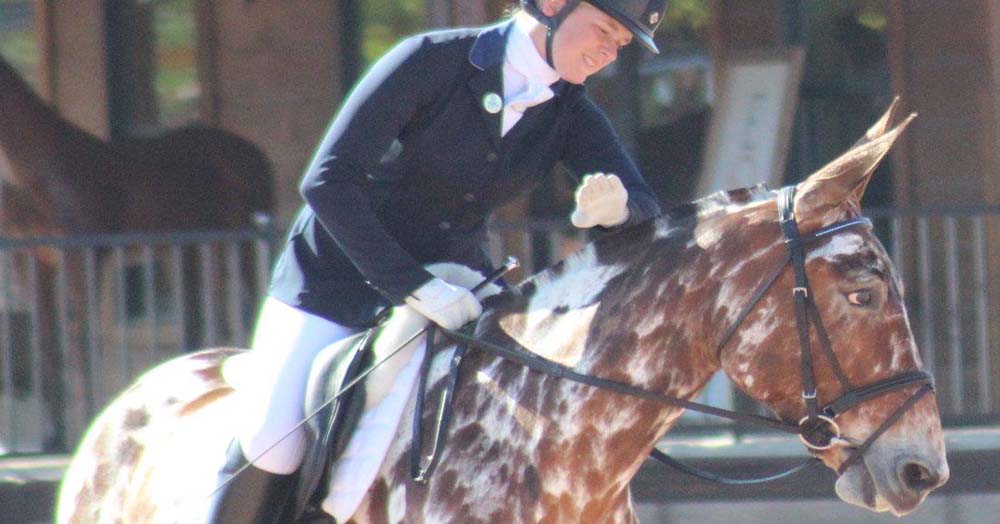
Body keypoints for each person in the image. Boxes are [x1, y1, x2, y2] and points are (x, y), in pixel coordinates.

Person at [205, 0, 667, 522]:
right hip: (335, 280)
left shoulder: (570, 111)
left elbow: (647, 209)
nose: (609, 52)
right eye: (605, 29)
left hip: (454, 287)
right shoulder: (430, 61)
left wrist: (619, 209)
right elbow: (327, 181)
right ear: (554, 5)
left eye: (622, 45)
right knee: (274, 437)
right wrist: (410, 286)